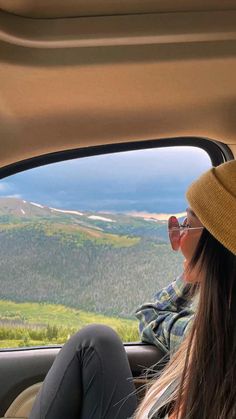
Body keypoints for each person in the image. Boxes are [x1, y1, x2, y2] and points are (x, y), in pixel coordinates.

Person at [29, 160, 236, 419]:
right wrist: (198, 272)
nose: (178, 238)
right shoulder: (202, 332)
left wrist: (202, 272)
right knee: (95, 340)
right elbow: (151, 315)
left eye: (186, 225)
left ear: (219, 248)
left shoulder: (206, 336)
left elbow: (153, 313)